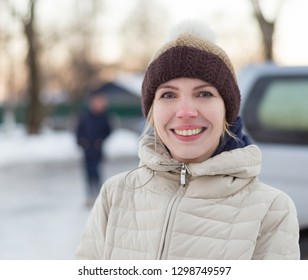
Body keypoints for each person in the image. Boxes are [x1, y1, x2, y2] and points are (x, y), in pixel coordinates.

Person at [75, 20, 300, 259]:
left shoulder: (272, 209)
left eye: (204, 94)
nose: (185, 111)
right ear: (152, 111)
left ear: (228, 109)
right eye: (168, 95)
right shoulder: (114, 195)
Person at [76, 92, 112, 207]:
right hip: (87, 150)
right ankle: (89, 195)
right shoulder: (85, 116)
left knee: (97, 172)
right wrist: (81, 141)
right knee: (88, 173)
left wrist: (100, 140)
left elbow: (108, 130)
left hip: (97, 149)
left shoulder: (104, 117)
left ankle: (99, 195)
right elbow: (78, 131)